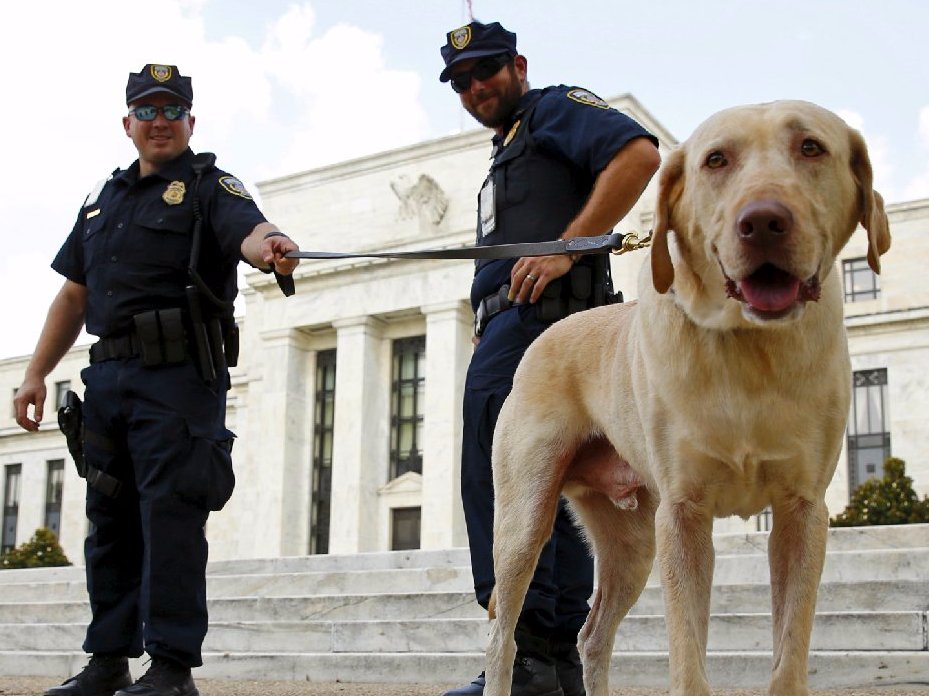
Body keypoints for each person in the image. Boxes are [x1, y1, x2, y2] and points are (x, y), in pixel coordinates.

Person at [13, 64, 299, 696]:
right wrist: (35, 373)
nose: (160, 121)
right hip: (108, 379)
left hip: (176, 382)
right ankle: (108, 658)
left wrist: (271, 243)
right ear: (128, 124)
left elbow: (250, 229)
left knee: (170, 520)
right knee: (108, 522)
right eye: (147, 111)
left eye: (172, 110)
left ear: (190, 121)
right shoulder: (102, 201)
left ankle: (170, 667)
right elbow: (72, 294)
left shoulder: (208, 186)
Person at [438, 21, 661, 696]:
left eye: (488, 69)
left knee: (504, 489)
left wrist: (568, 245)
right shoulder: (511, 146)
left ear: (518, 65)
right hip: (517, 329)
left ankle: (530, 658)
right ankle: (552, 666)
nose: (477, 86)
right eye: (462, 79)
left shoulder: (551, 110)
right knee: (547, 496)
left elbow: (637, 154)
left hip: (546, 330)